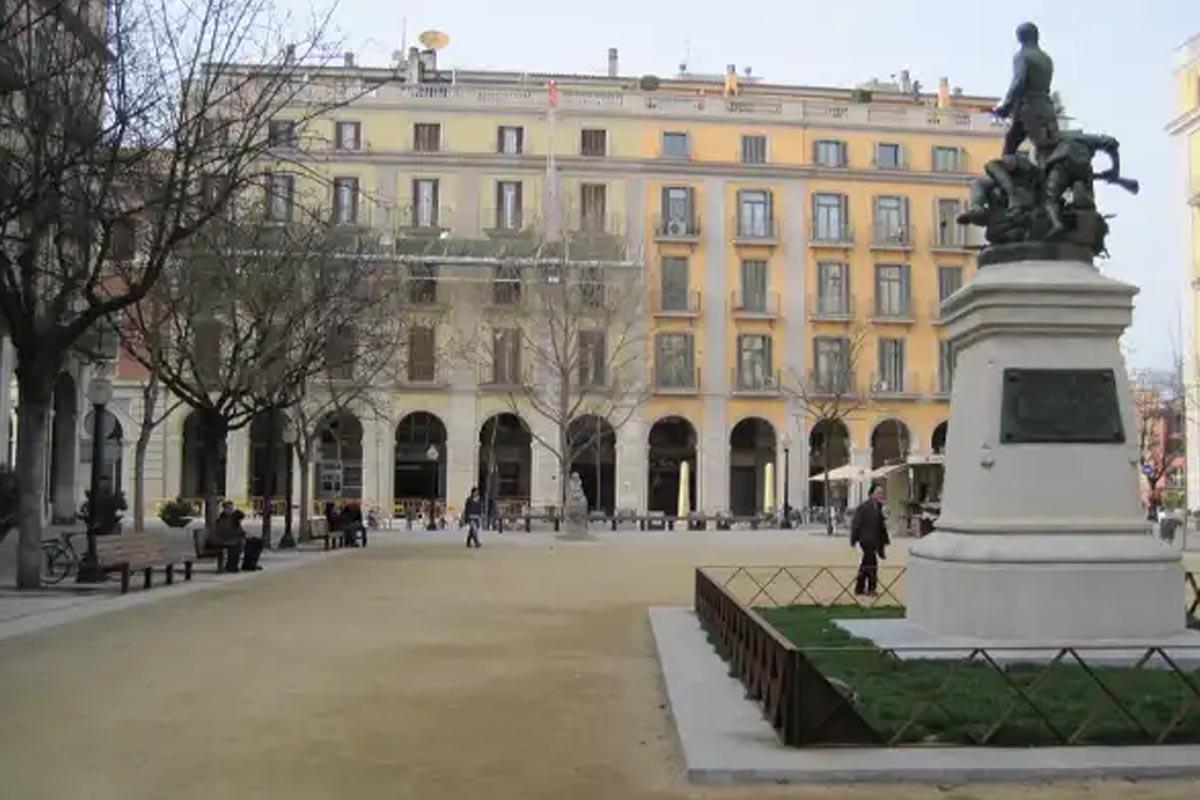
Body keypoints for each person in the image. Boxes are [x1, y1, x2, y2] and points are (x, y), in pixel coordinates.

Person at [993, 22, 1058, 157]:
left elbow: (1019, 82)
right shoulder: (1047, 59)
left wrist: (1006, 107)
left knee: (1010, 144)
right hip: (1047, 108)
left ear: (1019, 38)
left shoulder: (1022, 56)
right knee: (1048, 151)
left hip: (1028, 109)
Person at [850, 485, 890, 596]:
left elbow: (881, 526)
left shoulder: (879, 507)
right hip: (865, 540)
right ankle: (871, 588)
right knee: (872, 564)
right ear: (871, 493)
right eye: (878, 492)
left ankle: (859, 588)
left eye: (881, 493)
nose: (880, 495)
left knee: (866, 564)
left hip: (875, 540)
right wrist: (854, 539)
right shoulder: (863, 507)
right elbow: (856, 524)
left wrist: (885, 540)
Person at [208, 501, 245, 573]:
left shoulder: (234, 517)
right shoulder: (222, 519)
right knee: (236, 544)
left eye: (231, 508)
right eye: (228, 508)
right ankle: (231, 566)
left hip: (232, 539)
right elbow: (224, 532)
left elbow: (242, 515)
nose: (230, 510)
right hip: (222, 540)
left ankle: (247, 564)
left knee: (252, 542)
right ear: (224, 509)